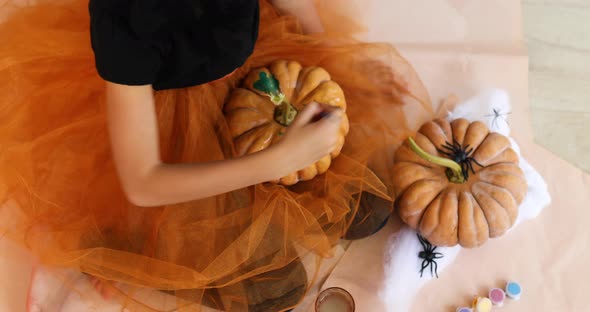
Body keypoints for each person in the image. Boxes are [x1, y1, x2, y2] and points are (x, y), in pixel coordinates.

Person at [0, 0, 432, 310]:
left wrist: (340, 62)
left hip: (259, 72)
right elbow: (142, 180)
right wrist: (278, 161)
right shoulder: (129, 17)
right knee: (272, 289)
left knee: (371, 204)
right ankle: (123, 246)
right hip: (168, 127)